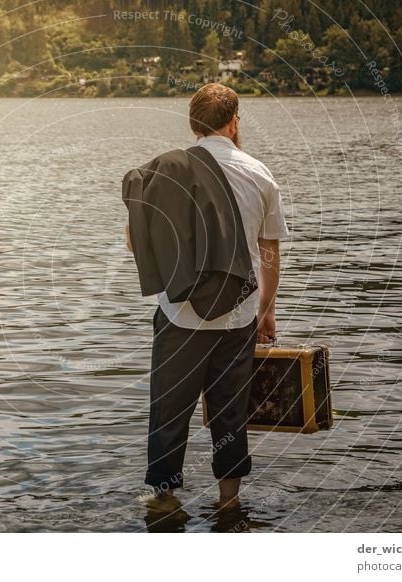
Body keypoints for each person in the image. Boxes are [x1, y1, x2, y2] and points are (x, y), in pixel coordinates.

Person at [124, 83, 290, 509]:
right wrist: (266, 313)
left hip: (181, 313)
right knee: (230, 412)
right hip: (239, 316)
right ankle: (229, 502)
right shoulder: (260, 174)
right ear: (233, 122)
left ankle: (163, 501)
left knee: (169, 411)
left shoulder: (166, 170)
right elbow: (269, 254)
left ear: (193, 123)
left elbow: (134, 242)